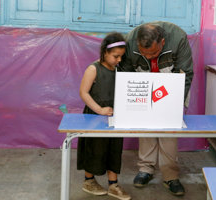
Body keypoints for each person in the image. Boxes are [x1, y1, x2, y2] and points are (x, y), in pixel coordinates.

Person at [118, 21, 194, 196]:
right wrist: (130, 100)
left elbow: (186, 72)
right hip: (143, 84)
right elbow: (124, 72)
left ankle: (170, 175)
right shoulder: (130, 40)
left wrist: (174, 103)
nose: (150, 57)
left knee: (169, 129)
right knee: (146, 126)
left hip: (171, 84)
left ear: (163, 42)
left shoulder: (178, 37)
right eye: (144, 53)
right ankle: (146, 169)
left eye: (153, 53)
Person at [77, 32, 131, 200]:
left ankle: (113, 185)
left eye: (121, 57)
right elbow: (83, 93)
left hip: (114, 117)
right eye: (116, 56)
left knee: (114, 150)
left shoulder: (118, 70)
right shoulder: (93, 68)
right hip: (94, 116)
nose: (119, 60)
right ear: (105, 52)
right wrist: (99, 109)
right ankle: (89, 181)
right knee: (94, 149)